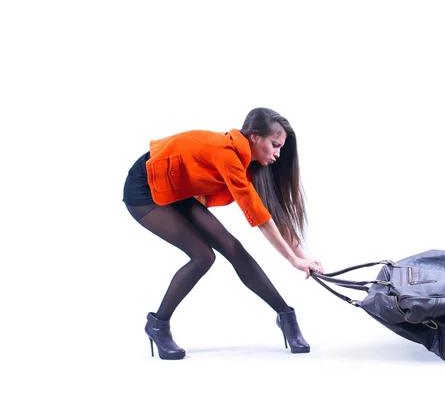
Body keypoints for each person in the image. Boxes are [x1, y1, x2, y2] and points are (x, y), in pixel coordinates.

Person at [122, 107, 324, 360]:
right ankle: (158, 325)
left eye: (281, 147)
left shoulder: (250, 164)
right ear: (254, 137)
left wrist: (301, 256)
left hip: (173, 188)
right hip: (144, 188)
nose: (277, 153)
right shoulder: (227, 154)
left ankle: (286, 316)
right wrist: (292, 260)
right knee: (203, 256)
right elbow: (260, 219)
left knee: (233, 247)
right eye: (274, 145)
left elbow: (270, 212)